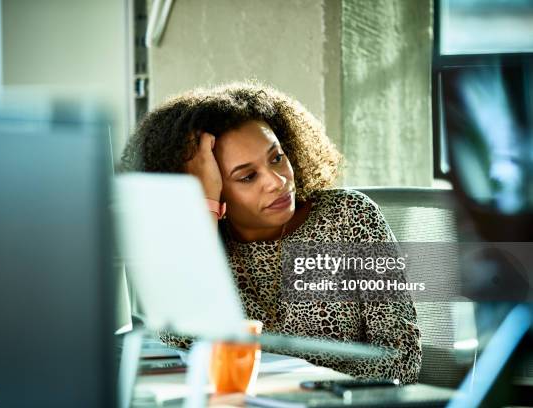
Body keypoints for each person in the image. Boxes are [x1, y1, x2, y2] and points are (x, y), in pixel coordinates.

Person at [121, 82, 422, 383]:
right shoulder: (204, 246)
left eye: (277, 158)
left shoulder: (349, 216)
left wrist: (315, 392)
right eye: (248, 176)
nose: (277, 181)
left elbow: (401, 357)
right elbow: (179, 338)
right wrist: (204, 209)